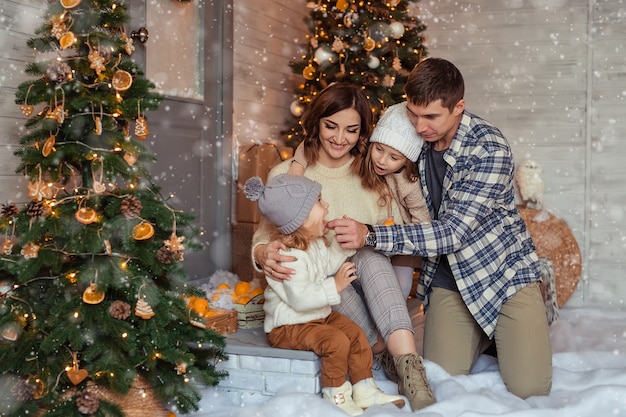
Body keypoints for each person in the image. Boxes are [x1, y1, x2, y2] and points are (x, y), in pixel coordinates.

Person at [327, 57, 553, 399]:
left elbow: (451, 233)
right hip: (449, 278)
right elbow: (351, 147)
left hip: (501, 273)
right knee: (443, 377)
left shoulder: (488, 147)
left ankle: (519, 321)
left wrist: (370, 233)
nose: (419, 126)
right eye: (413, 113)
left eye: (431, 117)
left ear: (458, 107)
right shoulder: (403, 127)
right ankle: (481, 333)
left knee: (529, 387)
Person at [250, 82, 435, 410]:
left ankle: (409, 366)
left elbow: (399, 235)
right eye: (330, 126)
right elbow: (263, 237)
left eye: (351, 130)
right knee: (335, 283)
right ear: (316, 122)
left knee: (369, 254)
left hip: (370, 278)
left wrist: (367, 233)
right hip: (318, 286)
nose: (339, 138)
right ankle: (382, 347)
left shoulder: (373, 171)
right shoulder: (286, 175)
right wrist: (262, 253)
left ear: (363, 130)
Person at [243, 174, 406, 415]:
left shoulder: (314, 242)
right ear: (299, 218)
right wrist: (336, 286)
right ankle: (336, 393)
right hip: (289, 326)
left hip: (316, 316)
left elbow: (326, 264)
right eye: (319, 202)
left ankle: (364, 388)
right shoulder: (289, 257)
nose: (327, 206)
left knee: (355, 333)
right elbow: (301, 299)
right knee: (336, 341)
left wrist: (342, 246)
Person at [289, 101, 430, 300]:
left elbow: (423, 221)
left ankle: (393, 323)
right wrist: (296, 167)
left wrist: (398, 235)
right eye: (379, 150)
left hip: (404, 241)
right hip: (374, 240)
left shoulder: (409, 183)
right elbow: (308, 144)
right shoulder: (365, 159)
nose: (382, 160)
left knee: (399, 288)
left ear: (406, 160)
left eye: (393, 157)